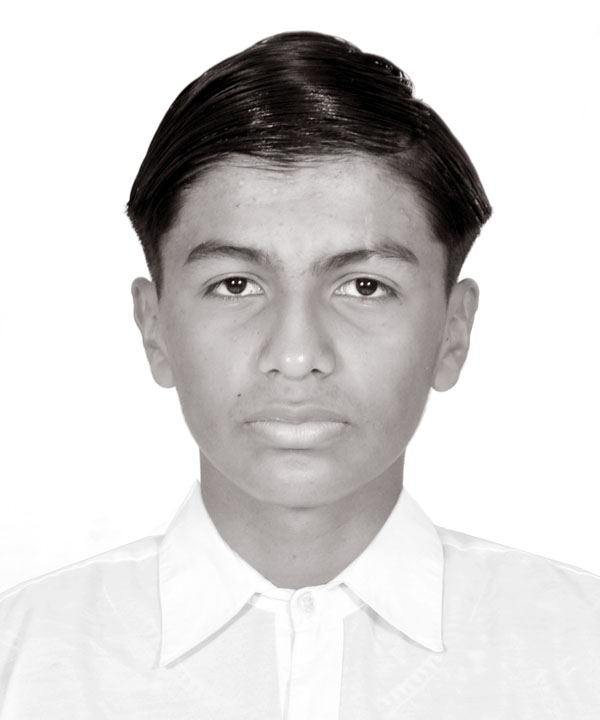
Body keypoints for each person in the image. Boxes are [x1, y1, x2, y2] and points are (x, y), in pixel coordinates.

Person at [1, 30, 598, 719]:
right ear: (154, 326)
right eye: (234, 285)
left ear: (453, 332)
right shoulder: (20, 664)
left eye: (365, 286)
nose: (295, 353)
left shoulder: (581, 657)